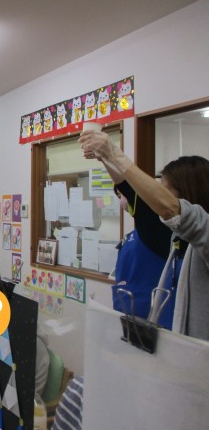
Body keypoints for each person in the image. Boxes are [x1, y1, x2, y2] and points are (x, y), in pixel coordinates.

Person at [79, 129, 209, 341]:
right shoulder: (171, 236)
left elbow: (173, 211)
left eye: (165, 190)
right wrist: (106, 158)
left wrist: (114, 153)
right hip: (168, 343)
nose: (155, 199)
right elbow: (130, 191)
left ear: (188, 193)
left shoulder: (202, 231)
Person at [111, 185, 181, 328]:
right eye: (118, 196)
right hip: (128, 310)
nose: (121, 201)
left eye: (123, 194)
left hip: (153, 313)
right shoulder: (130, 238)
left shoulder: (160, 233)